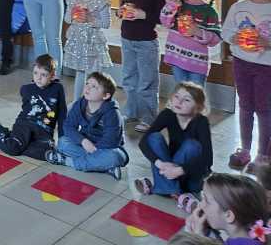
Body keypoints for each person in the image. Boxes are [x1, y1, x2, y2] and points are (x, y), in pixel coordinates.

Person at [222, 0, 271, 172]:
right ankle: (245, 150)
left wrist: (267, 43)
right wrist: (234, 38)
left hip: (266, 66)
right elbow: (225, 31)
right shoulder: (238, 7)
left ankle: (263, 154)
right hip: (241, 63)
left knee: (264, 108)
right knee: (245, 106)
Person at [135, 82, 212, 212]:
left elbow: (207, 160)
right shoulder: (168, 114)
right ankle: (180, 195)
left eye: (186, 100)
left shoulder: (201, 122)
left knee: (191, 145)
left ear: (197, 107)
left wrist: (180, 170)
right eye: (176, 96)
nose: (179, 102)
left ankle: (160, 187)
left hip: (190, 176)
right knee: (154, 137)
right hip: (169, 168)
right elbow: (143, 142)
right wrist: (160, 163)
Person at [0, 54, 66, 160]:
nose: (38, 78)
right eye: (35, 73)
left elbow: (62, 115)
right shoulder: (26, 89)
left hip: (44, 130)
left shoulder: (58, 89)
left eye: (44, 75)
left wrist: (62, 139)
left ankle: (12, 137)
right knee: (13, 148)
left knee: (47, 152)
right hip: (25, 125)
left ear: (52, 75)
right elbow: (26, 111)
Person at [45, 71, 128, 180]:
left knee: (115, 157)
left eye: (94, 87)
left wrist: (94, 149)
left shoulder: (112, 113)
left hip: (106, 148)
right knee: (62, 142)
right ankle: (103, 167)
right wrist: (83, 141)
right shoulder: (80, 104)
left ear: (106, 95)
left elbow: (111, 141)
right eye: (87, 83)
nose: (88, 88)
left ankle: (68, 162)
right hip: (86, 144)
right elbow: (68, 126)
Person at [118, 0, 167, 133]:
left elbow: (162, 19)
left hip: (146, 43)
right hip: (127, 40)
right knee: (129, 78)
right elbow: (122, 10)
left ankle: (148, 118)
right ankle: (131, 111)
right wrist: (121, 12)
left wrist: (142, 15)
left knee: (147, 81)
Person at [160, 0, 221, 86]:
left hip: (197, 63)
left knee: (195, 95)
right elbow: (164, 21)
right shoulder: (177, 5)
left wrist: (197, 32)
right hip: (176, 59)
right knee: (181, 92)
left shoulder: (209, 11)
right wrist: (172, 3)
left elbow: (216, 39)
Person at [64, 0, 113, 100]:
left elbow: (106, 23)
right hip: (78, 40)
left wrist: (90, 18)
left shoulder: (101, 0)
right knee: (80, 72)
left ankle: (95, 100)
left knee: (94, 74)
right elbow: (67, 19)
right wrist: (73, 15)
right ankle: (77, 101)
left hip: (93, 41)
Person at [185, 173, 270, 245]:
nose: (201, 204)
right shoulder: (253, 234)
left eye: (207, 201)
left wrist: (197, 238)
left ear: (228, 216)